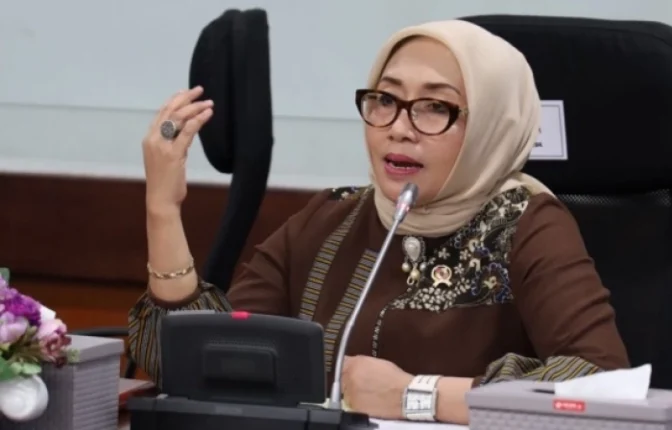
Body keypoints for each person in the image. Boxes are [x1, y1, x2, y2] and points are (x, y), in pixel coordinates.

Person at [130, 19, 629, 425]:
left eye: (435, 107)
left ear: (490, 125)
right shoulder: (332, 217)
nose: (400, 129)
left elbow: (599, 386)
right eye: (386, 100)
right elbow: (199, 363)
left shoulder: (526, 225)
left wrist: (418, 395)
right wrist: (163, 209)